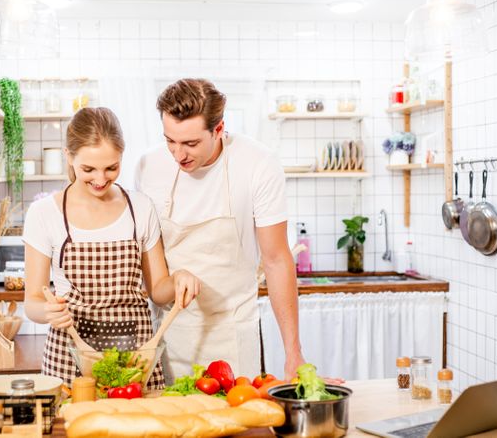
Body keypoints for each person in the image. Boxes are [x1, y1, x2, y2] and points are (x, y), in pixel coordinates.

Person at [135, 78, 305, 381]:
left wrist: (293, 353)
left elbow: (277, 259)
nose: (178, 154)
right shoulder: (148, 166)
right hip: (170, 334)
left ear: (218, 129)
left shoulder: (258, 164)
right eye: (169, 141)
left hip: (233, 336)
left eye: (190, 143)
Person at [24, 107, 201, 388]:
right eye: (88, 169)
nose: (100, 179)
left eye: (111, 167)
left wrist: (179, 278)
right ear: (68, 157)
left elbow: (158, 290)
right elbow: (32, 300)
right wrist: (47, 311)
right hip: (70, 358)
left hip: (136, 362)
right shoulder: (44, 213)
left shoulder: (140, 208)